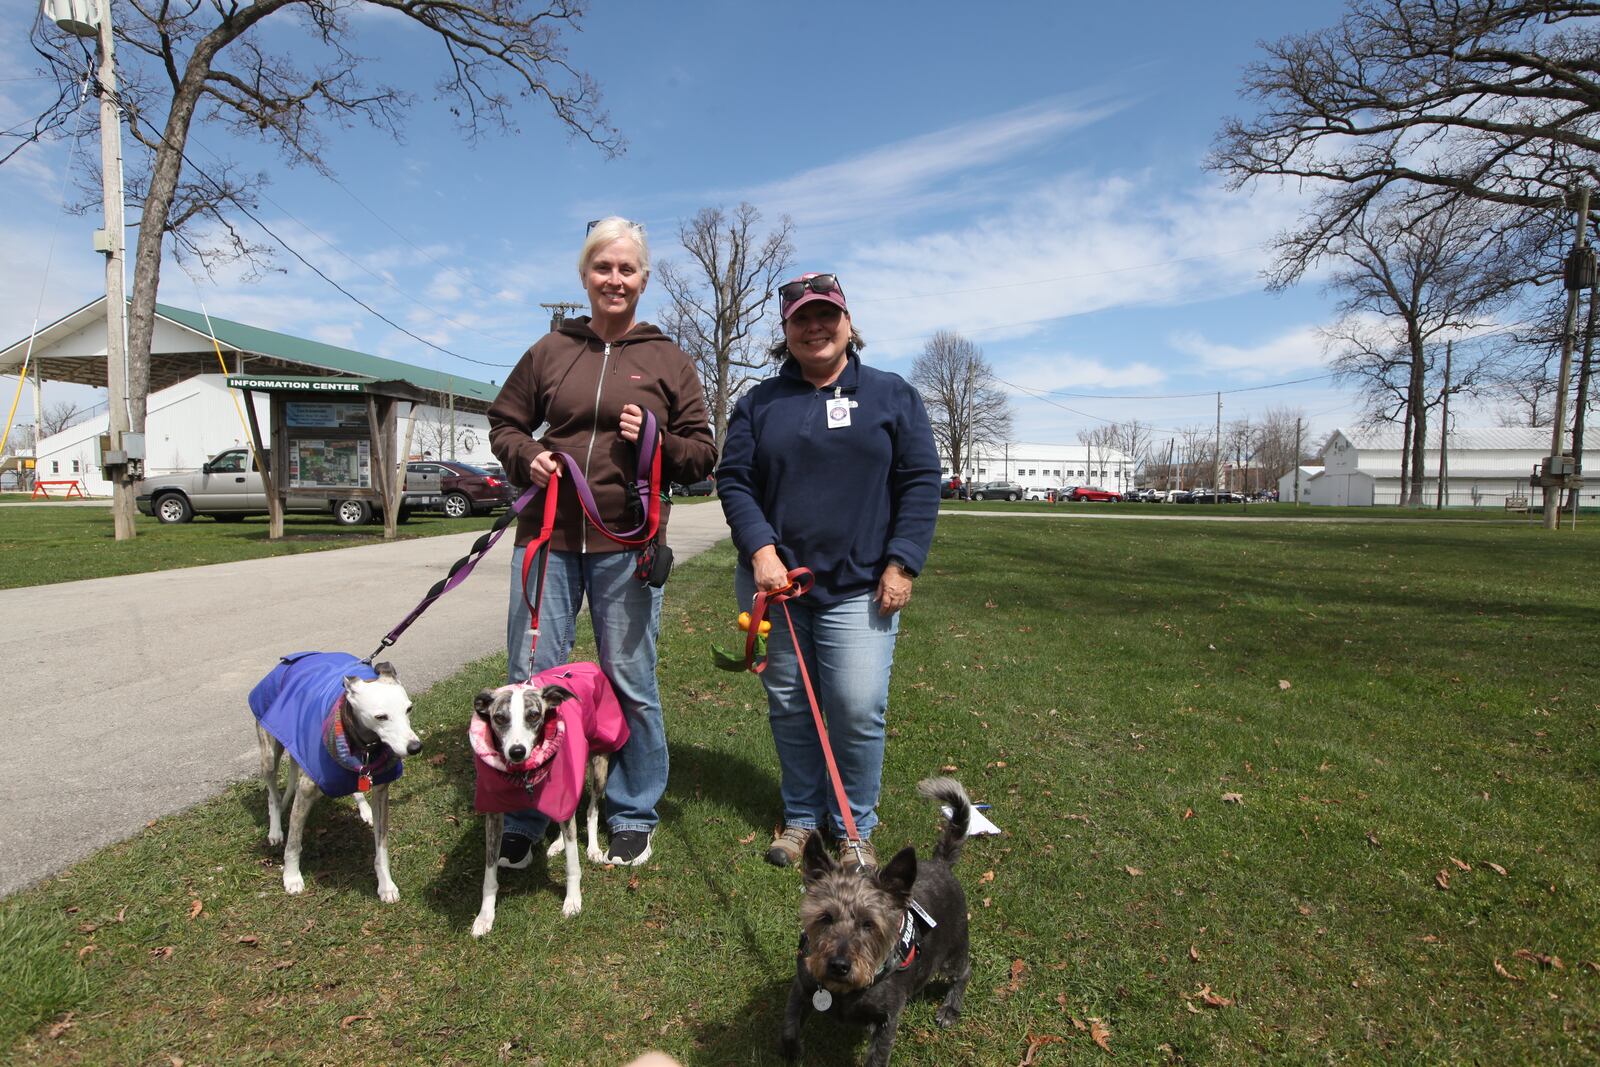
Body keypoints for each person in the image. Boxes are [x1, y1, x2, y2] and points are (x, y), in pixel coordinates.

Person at [488, 217, 716, 866]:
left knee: (631, 678)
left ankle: (633, 807)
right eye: (603, 267)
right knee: (529, 679)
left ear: (644, 278)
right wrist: (526, 453)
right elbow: (504, 421)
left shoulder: (668, 359)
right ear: (585, 275)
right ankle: (529, 815)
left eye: (627, 269)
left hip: (628, 546)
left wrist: (657, 440)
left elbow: (702, 454)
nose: (614, 280)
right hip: (547, 539)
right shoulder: (551, 351)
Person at [716, 272, 940, 869]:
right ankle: (800, 817)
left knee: (856, 704)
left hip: (861, 584)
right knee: (790, 702)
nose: (815, 327)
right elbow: (734, 479)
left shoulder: (892, 395)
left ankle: (853, 827)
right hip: (777, 585)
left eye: (826, 315)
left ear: (848, 323)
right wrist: (761, 549)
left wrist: (903, 562)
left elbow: (920, 482)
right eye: (801, 319)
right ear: (785, 331)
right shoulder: (760, 403)